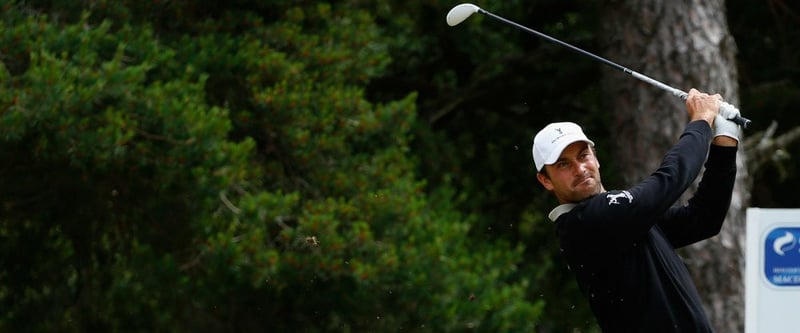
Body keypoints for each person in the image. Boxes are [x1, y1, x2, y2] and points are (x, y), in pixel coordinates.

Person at [531, 88, 740, 332]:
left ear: (596, 158)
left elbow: (702, 219)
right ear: (545, 180)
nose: (580, 169)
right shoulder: (584, 222)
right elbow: (668, 181)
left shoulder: (623, 219)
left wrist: (725, 145)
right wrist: (702, 121)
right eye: (563, 164)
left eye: (583, 155)